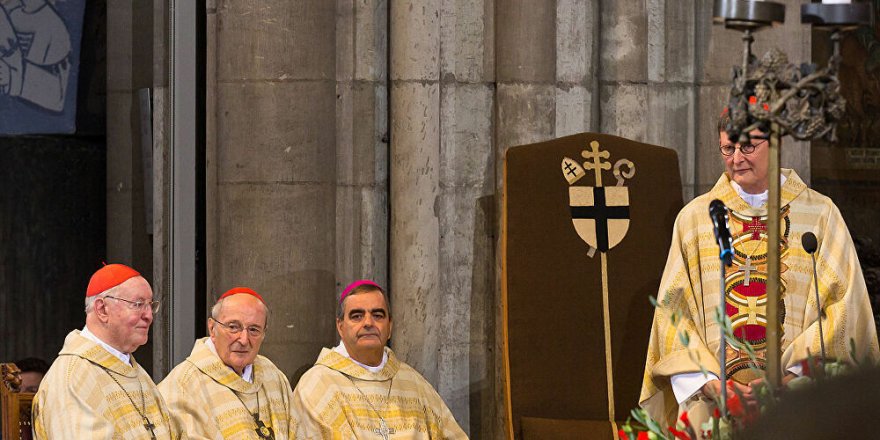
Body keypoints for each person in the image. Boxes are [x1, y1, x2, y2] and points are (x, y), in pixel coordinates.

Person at [639, 111, 880, 429]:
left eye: (747, 147)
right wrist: (714, 385)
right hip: (713, 406)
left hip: (800, 401)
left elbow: (844, 313)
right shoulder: (695, 220)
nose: (736, 158)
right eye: (728, 149)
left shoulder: (820, 215)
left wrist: (786, 378)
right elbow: (673, 319)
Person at [292, 280, 468, 439]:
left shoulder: (414, 384)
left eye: (377, 315)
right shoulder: (316, 386)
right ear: (341, 327)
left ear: (389, 326)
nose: (368, 323)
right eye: (357, 316)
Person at [32, 263, 178, 439]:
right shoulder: (72, 376)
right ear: (102, 309)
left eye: (150, 305)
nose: (149, 315)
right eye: (138, 304)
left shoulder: (135, 372)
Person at [158, 287, 299, 439]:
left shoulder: (273, 376)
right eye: (233, 327)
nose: (244, 340)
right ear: (212, 329)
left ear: (264, 334)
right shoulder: (182, 386)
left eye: (254, 330)